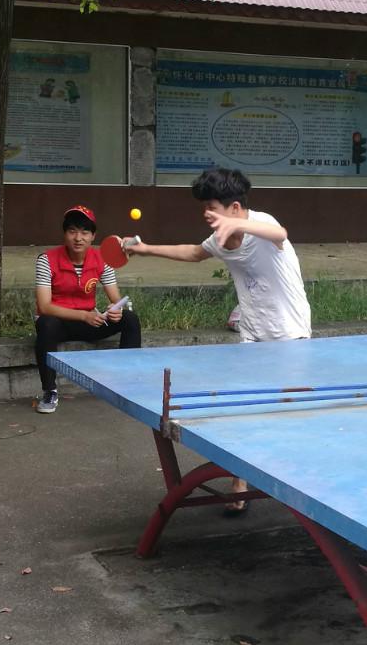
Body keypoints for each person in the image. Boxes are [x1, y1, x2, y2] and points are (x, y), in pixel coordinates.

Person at [126, 166, 310, 510]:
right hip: (252, 334)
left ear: (235, 208)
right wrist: (145, 248)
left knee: (284, 412)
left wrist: (237, 225)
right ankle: (240, 480)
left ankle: (297, 480)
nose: (206, 214)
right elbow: (194, 253)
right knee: (242, 408)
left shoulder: (262, 224)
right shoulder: (220, 240)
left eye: (212, 208)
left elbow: (280, 233)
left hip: (290, 334)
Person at [32, 204, 142, 414]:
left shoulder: (102, 259)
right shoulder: (46, 260)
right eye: (72, 231)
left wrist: (116, 309)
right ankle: (49, 391)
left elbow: (116, 298)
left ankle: (127, 385)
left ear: (93, 236)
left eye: (84, 232)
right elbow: (45, 307)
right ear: (65, 234)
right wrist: (84, 315)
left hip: (89, 321)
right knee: (46, 324)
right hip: (59, 322)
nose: (78, 238)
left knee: (129, 318)